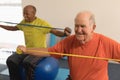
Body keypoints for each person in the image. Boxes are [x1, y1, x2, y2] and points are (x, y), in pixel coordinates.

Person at [17, 10, 120, 80]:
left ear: (93, 27)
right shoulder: (70, 41)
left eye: (83, 26)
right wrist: (27, 50)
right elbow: (48, 51)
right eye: (76, 26)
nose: (78, 30)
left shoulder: (104, 42)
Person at [0, 5, 71, 80]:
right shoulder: (23, 23)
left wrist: (64, 34)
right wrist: (1, 25)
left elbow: (55, 32)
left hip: (39, 51)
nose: (25, 16)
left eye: (27, 14)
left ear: (34, 13)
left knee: (27, 62)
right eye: (23, 13)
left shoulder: (42, 23)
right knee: (11, 60)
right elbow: (13, 28)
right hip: (27, 49)